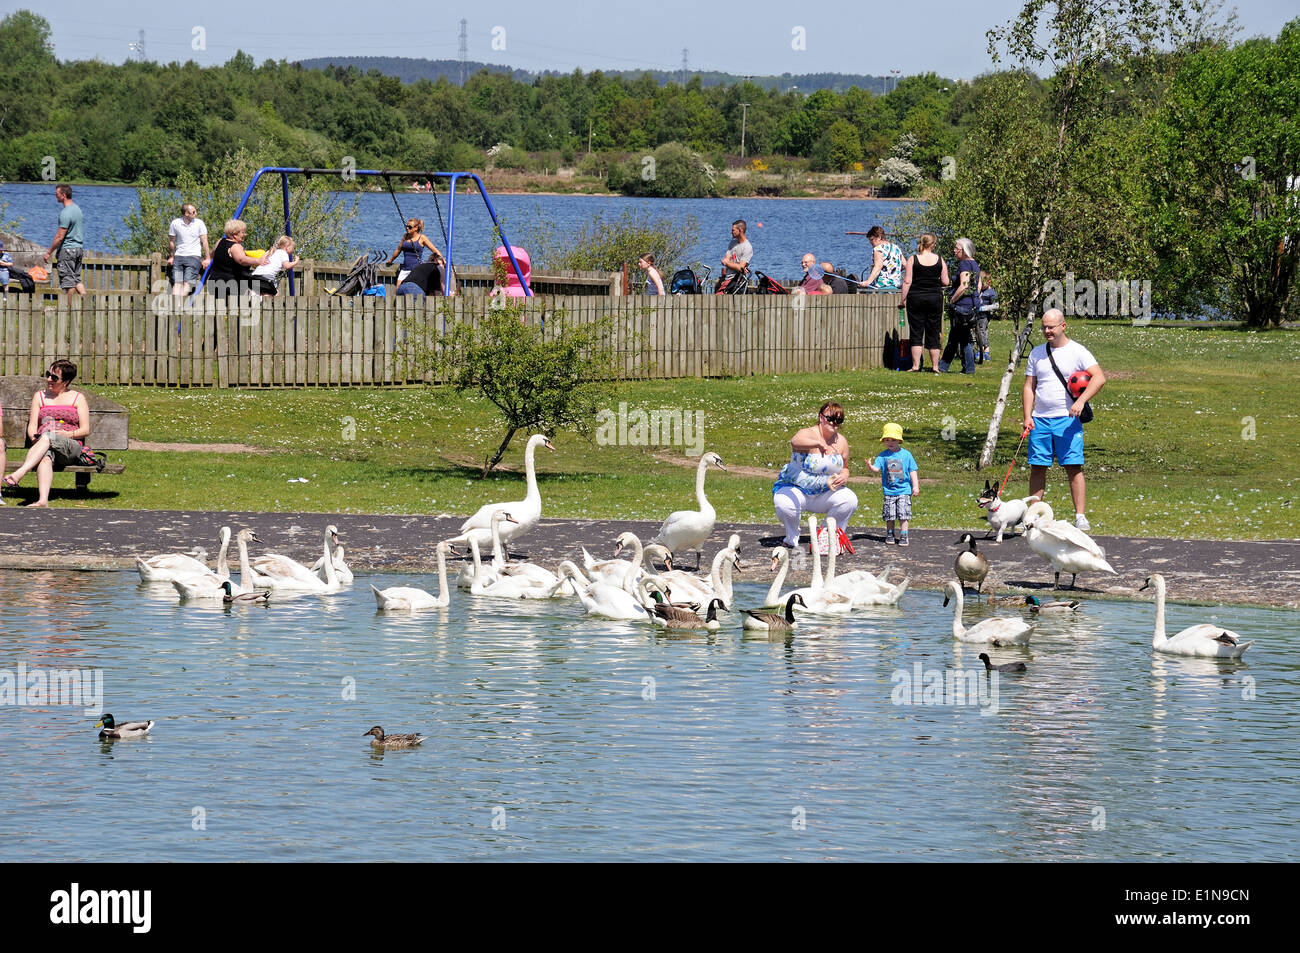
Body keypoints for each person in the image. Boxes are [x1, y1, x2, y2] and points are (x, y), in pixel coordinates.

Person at [1022, 308, 1106, 531]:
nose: (1047, 331)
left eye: (1051, 327)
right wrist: (1027, 416)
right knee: (1038, 467)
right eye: (1044, 327)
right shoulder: (1037, 353)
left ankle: (1080, 516)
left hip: (1067, 420)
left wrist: (1080, 401)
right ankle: (1033, 517)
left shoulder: (1077, 351)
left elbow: (1099, 378)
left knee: (1073, 466)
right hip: (1040, 420)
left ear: (1063, 326)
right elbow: (1029, 386)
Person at [2, 360, 92, 508]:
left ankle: (20, 473)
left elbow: (85, 430)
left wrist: (66, 434)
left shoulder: (78, 398)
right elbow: (32, 427)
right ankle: (43, 500)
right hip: (44, 443)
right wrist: (35, 439)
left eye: (54, 377)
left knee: (48, 436)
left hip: (71, 446)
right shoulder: (40, 396)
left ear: (66, 382)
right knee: (45, 457)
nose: (49, 379)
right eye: (48, 374)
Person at [772, 401, 858, 547]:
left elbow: (844, 467)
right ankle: (792, 537)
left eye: (839, 421)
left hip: (825, 492)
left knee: (849, 500)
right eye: (830, 418)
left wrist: (845, 474)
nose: (834, 423)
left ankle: (826, 536)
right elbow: (795, 442)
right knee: (784, 503)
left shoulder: (841, 441)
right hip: (797, 489)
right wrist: (817, 444)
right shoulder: (807, 433)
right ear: (820, 417)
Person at [900, 233, 949, 372]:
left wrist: (902, 300)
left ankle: (915, 366)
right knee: (933, 331)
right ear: (933, 244)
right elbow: (946, 281)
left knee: (916, 331)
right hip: (935, 298)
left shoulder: (913, 259)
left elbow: (907, 281)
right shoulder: (940, 259)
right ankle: (935, 366)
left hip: (916, 298)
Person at [866, 423, 919, 546]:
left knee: (903, 514)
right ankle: (890, 533)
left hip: (904, 490)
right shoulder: (883, 455)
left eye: (893, 440)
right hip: (889, 491)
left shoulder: (906, 455)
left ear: (899, 440)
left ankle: (904, 535)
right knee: (889, 515)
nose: (890, 442)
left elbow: (912, 470)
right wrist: (870, 466)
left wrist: (915, 486)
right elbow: (876, 469)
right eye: (887, 440)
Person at [939, 237, 979, 374]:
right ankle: (965, 368)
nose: (954, 251)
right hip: (971, 305)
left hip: (962, 306)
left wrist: (952, 300)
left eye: (957, 248)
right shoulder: (975, 264)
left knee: (958, 338)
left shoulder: (965, 264)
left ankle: (945, 366)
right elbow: (977, 286)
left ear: (965, 250)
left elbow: (964, 285)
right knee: (961, 338)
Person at [44, 184, 85, 295]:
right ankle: (86, 302)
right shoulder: (77, 209)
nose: (55, 196)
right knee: (77, 279)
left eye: (56, 194)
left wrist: (49, 252)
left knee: (68, 283)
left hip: (67, 251)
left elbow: (60, 237)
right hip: (78, 249)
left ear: (63, 195)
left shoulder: (65, 213)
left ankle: (69, 308)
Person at [206, 219, 260, 299]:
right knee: (236, 308)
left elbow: (212, 254)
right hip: (230, 283)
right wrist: (258, 260)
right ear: (235, 234)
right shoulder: (235, 246)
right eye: (242, 232)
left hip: (214, 282)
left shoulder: (220, 241)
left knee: (219, 308)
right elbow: (241, 260)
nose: (245, 234)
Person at [167, 203, 211, 296]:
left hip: (180, 257)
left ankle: (175, 307)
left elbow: (172, 242)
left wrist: (171, 257)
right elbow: (204, 242)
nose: (196, 213)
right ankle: (180, 306)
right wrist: (207, 258)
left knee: (177, 284)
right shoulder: (199, 223)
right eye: (194, 212)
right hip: (192, 257)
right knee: (186, 284)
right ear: (186, 213)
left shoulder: (175, 223)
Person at [385, 218, 444, 287]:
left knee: (414, 290)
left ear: (416, 228)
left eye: (409, 227)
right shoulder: (405, 236)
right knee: (398, 290)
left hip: (416, 269)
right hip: (405, 269)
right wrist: (391, 260)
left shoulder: (422, 238)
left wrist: (443, 260)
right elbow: (398, 249)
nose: (407, 228)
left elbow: (435, 250)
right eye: (406, 226)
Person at [857, 225, 903, 292]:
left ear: (879, 237)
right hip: (895, 287)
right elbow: (905, 264)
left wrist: (868, 281)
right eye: (869, 240)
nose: (870, 242)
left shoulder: (878, 249)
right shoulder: (896, 248)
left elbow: (878, 266)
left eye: (872, 239)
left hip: (881, 287)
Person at [973, 272, 999, 364]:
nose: (980, 285)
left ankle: (985, 351)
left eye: (982, 283)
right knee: (977, 332)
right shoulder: (979, 291)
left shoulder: (992, 293)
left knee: (982, 331)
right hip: (976, 314)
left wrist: (983, 308)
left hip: (984, 315)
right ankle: (981, 349)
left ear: (989, 282)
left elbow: (996, 305)